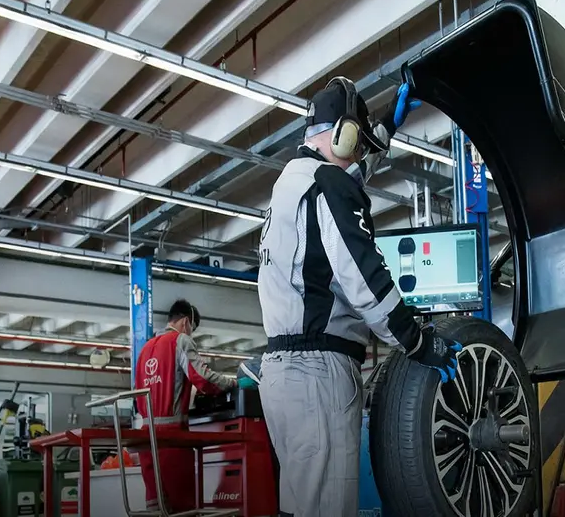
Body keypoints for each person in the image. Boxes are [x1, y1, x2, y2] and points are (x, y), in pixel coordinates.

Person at [257, 76, 463, 516]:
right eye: (357, 142)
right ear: (342, 133)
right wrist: (419, 341)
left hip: (279, 375)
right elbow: (366, 282)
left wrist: (389, 123)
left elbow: (351, 172)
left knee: (300, 508)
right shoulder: (330, 186)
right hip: (318, 375)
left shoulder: (292, 182)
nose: (359, 158)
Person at [133, 299, 240, 513]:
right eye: (192, 328)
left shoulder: (144, 349)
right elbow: (202, 377)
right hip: (171, 439)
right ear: (185, 322)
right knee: (183, 508)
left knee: (157, 507)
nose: (191, 334)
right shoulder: (180, 341)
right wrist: (232, 384)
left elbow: (138, 393)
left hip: (146, 439)